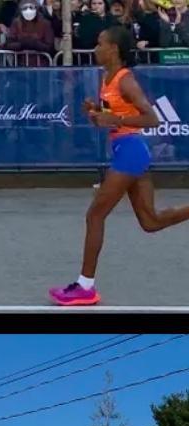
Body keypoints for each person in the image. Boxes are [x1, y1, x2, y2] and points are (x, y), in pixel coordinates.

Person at [50, 26, 189, 305]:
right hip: (126, 151)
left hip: (130, 153)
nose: (95, 48)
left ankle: (85, 287)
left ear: (114, 49)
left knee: (95, 216)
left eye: (100, 43)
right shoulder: (106, 77)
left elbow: (152, 120)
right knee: (151, 222)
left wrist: (114, 120)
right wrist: (95, 114)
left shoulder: (126, 81)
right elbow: (111, 118)